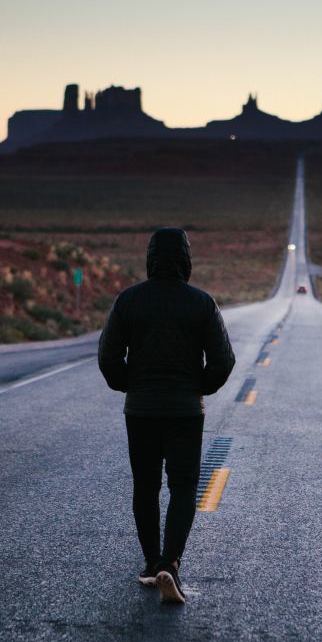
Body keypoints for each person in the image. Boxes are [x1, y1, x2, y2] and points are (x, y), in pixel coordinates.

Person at [98, 227, 235, 604]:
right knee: (184, 486)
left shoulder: (129, 300)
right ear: (186, 260)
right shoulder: (201, 303)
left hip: (140, 409)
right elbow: (224, 360)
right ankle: (169, 564)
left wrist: (130, 385)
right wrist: (199, 388)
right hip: (185, 411)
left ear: (151, 258)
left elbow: (108, 356)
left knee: (145, 486)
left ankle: (149, 563)